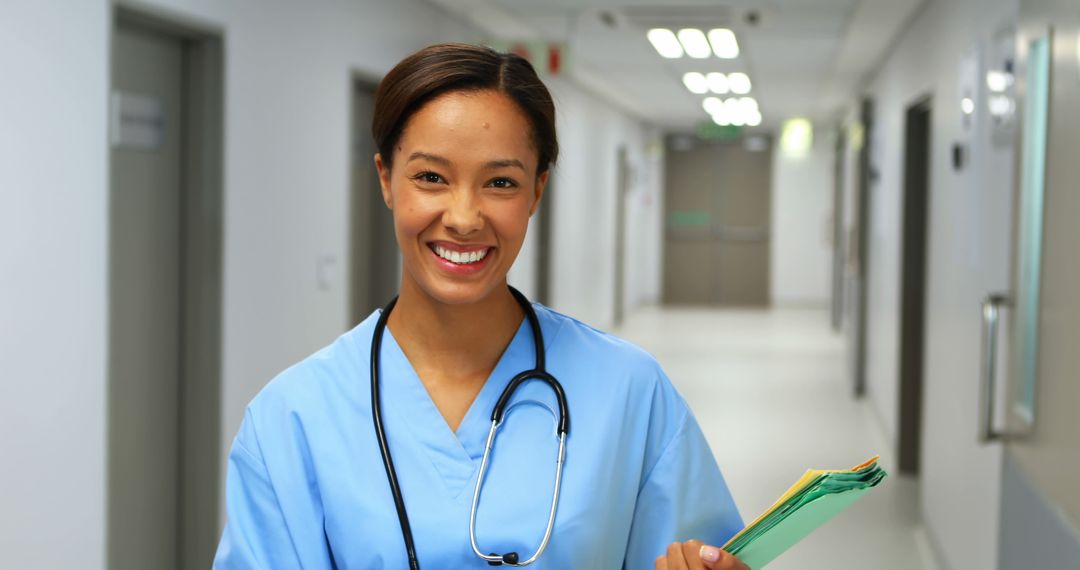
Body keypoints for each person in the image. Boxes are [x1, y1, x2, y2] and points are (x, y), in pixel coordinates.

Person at [213, 43, 748, 569]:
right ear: (385, 179)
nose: (464, 217)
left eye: (500, 182)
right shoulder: (292, 420)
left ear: (537, 191)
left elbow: (701, 552)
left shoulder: (630, 391)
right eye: (430, 177)